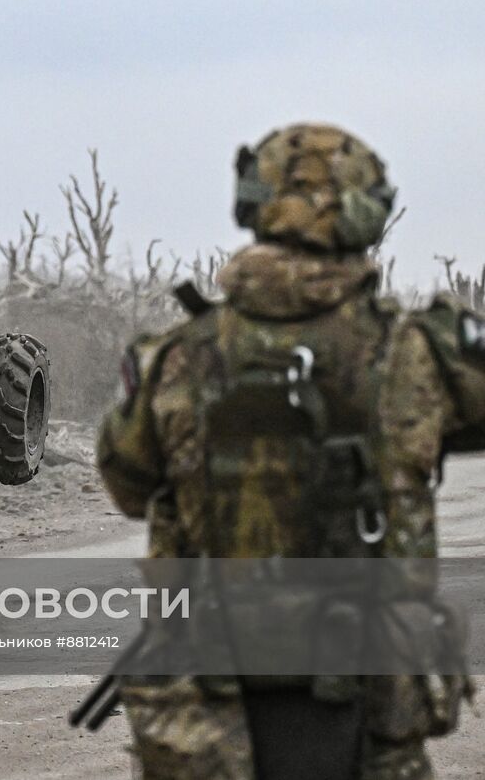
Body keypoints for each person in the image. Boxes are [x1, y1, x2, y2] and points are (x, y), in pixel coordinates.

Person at [96, 123, 484, 779]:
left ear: (253, 207)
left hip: (205, 712)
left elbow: (128, 485)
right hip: (367, 703)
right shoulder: (417, 353)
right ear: (367, 214)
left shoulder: (174, 359)